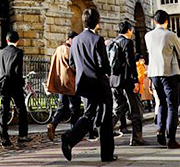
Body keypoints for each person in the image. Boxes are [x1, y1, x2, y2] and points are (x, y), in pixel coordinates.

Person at [60, 8, 116, 163]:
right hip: (99, 84)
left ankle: (70, 138)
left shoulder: (76, 40)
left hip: (83, 84)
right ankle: (107, 154)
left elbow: (71, 63)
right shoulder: (97, 40)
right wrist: (107, 71)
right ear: (97, 23)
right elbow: (103, 64)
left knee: (88, 114)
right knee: (105, 118)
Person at [144, 10, 180, 149]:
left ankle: (160, 129)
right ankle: (171, 138)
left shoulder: (148, 35)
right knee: (172, 105)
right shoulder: (170, 35)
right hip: (169, 72)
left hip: (154, 73)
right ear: (167, 21)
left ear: (154, 21)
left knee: (161, 102)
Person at [109, 20, 145, 146]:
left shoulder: (112, 42)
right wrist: (135, 80)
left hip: (114, 80)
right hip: (126, 81)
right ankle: (136, 138)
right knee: (136, 109)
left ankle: (105, 129)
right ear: (129, 30)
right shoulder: (127, 43)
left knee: (119, 108)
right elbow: (131, 64)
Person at [0, 31, 30, 146]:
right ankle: (22, 135)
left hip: (3, 84)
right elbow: (18, 71)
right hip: (14, 84)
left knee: (4, 111)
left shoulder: (0, 52)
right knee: (21, 110)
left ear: (6, 40)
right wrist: (22, 82)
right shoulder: (18, 52)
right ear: (18, 41)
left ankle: (4, 138)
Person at [46, 31, 81, 142]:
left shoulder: (58, 49)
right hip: (69, 82)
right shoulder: (68, 50)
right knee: (75, 107)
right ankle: (74, 132)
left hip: (60, 82)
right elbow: (73, 65)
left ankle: (53, 124)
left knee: (62, 106)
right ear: (70, 39)